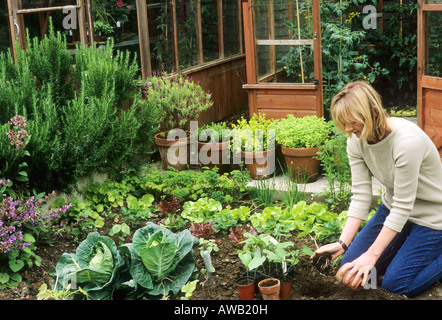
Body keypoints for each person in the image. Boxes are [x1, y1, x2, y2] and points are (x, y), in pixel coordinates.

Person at [313, 80, 442, 297]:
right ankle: (400, 252)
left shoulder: (406, 142)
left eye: (352, 122)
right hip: (395, 212)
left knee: (395, 285)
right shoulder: (356, 139)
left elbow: (403, 205)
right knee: (350, 272)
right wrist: (343, 243)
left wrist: (371, 256)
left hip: (432, 218)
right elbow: (362, 194)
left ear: (373, 111)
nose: (348, 129)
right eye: (343, 123)